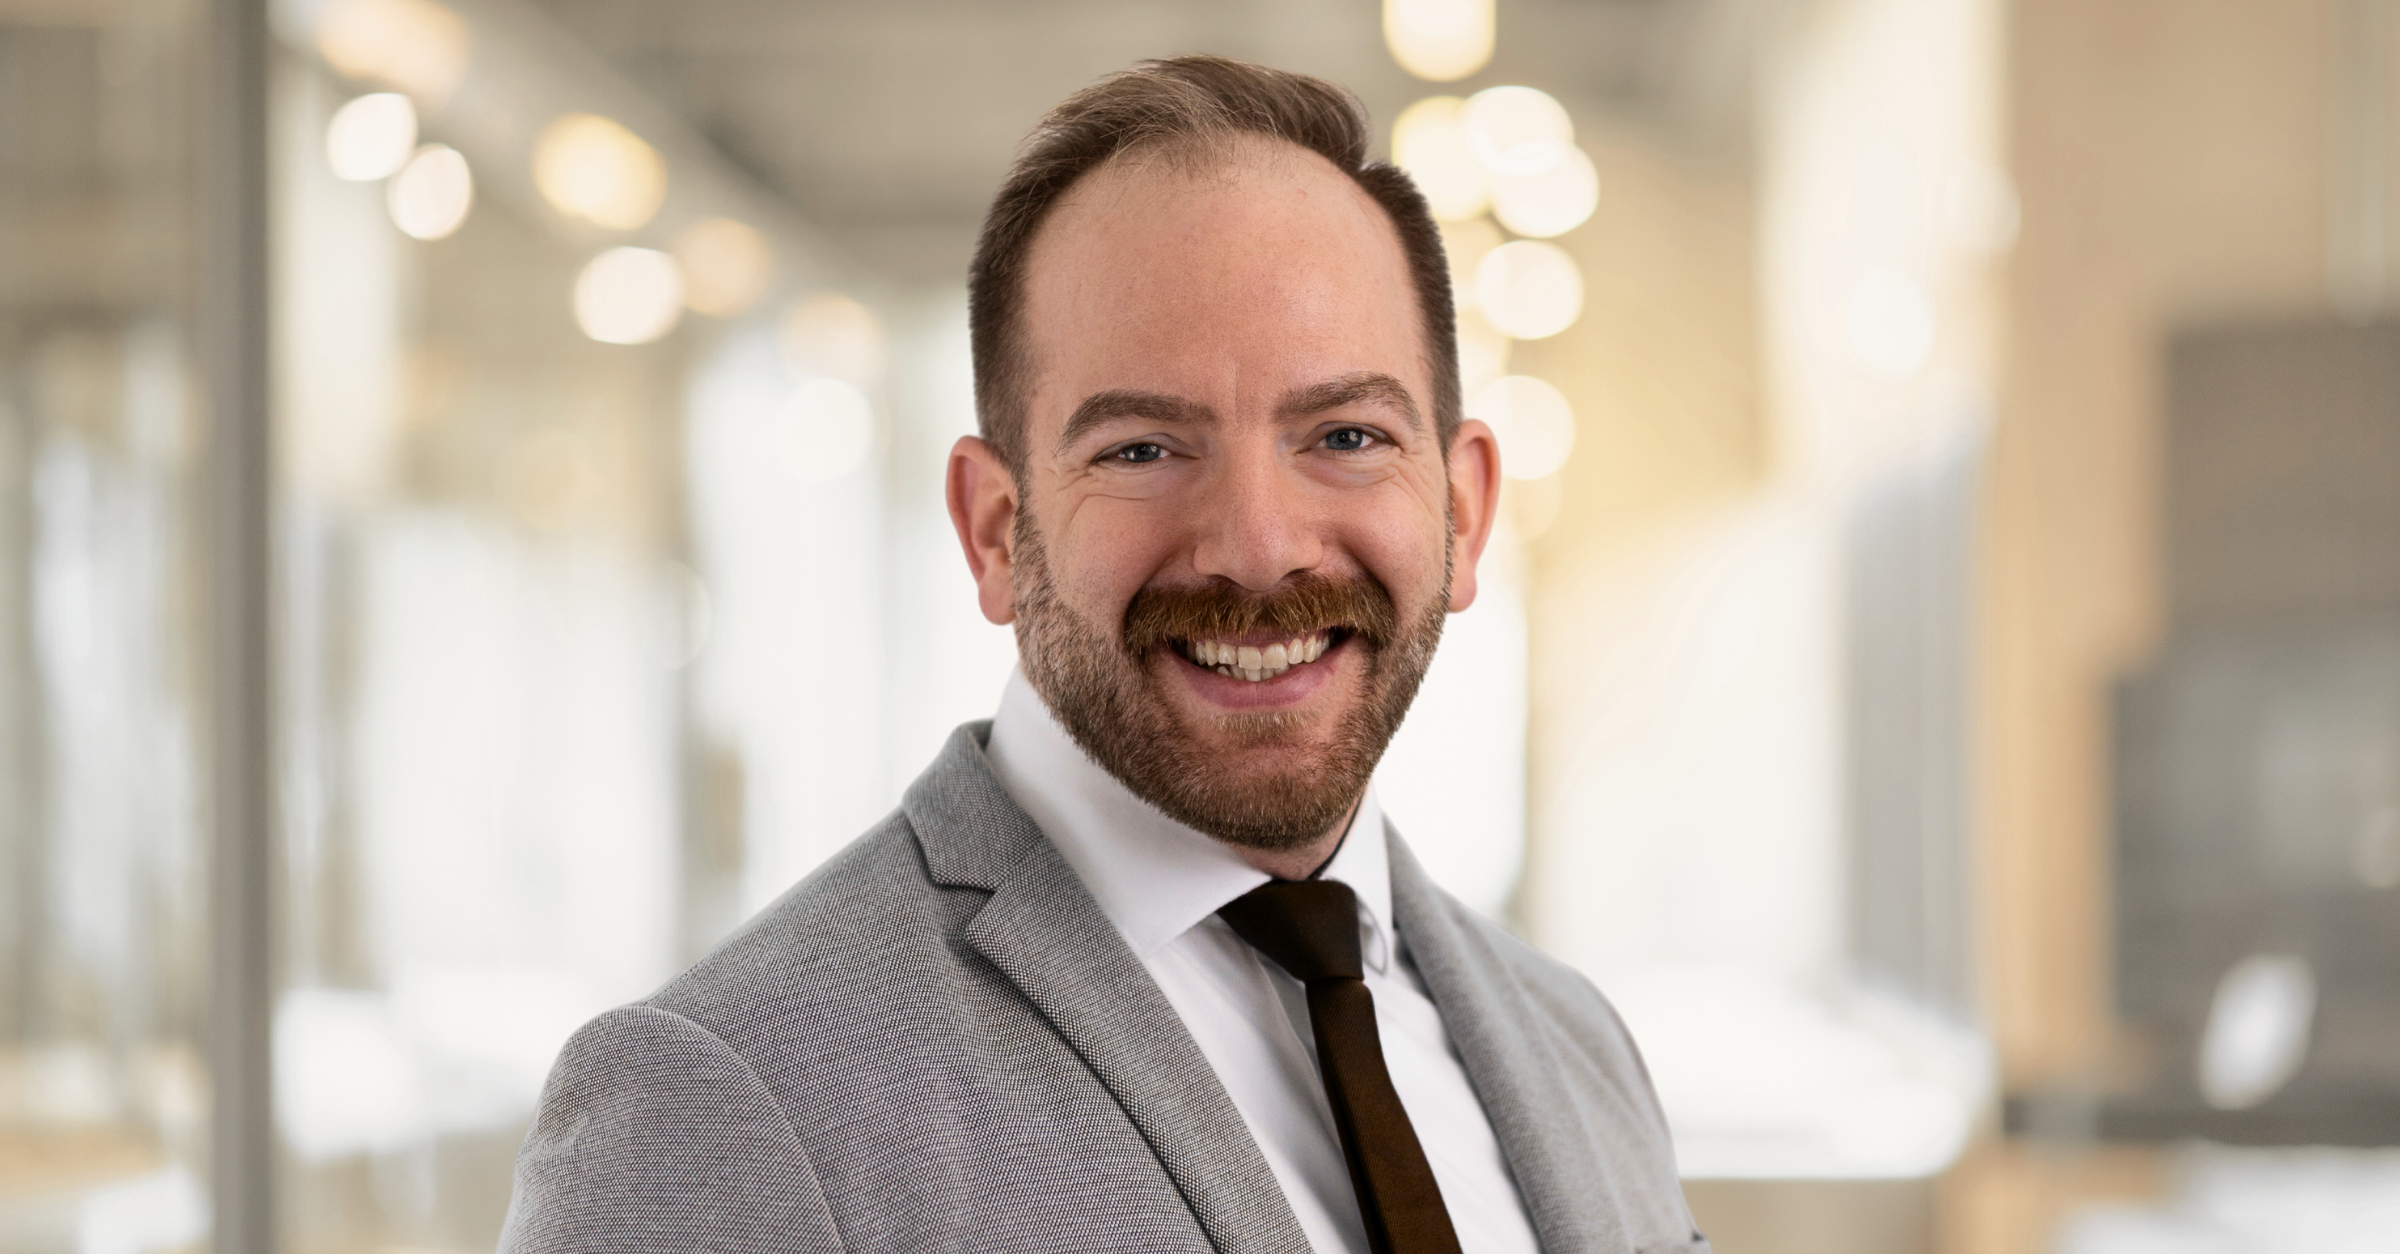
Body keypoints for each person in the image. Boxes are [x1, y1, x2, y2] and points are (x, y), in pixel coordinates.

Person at [500, 56, 1705, 1254]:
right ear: (993, 532)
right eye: (1140, 450)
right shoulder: (717, 1108)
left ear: (1463, 509)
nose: (1258, 547)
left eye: (1344, 433)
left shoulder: (1576, 1047)